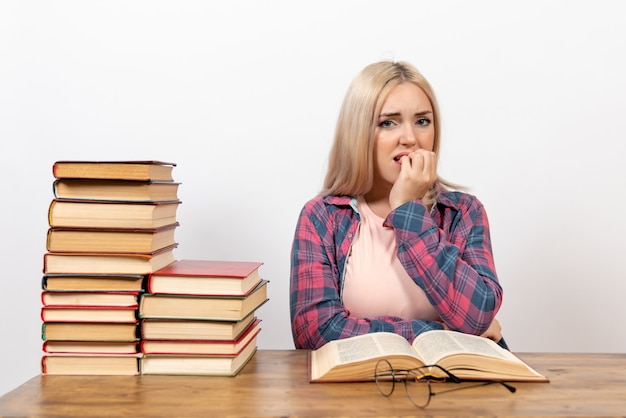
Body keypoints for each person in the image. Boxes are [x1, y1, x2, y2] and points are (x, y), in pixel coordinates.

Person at [289, 60, 506, 351]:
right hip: (356, 391)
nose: (410, 138)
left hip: (458, 390)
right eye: (388, 122)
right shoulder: (322, 218)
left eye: (422, 121)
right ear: (359, 133)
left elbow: (478, 315)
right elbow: (315, 332)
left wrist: (407, 210)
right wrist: (437, 331)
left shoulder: (463, 212)